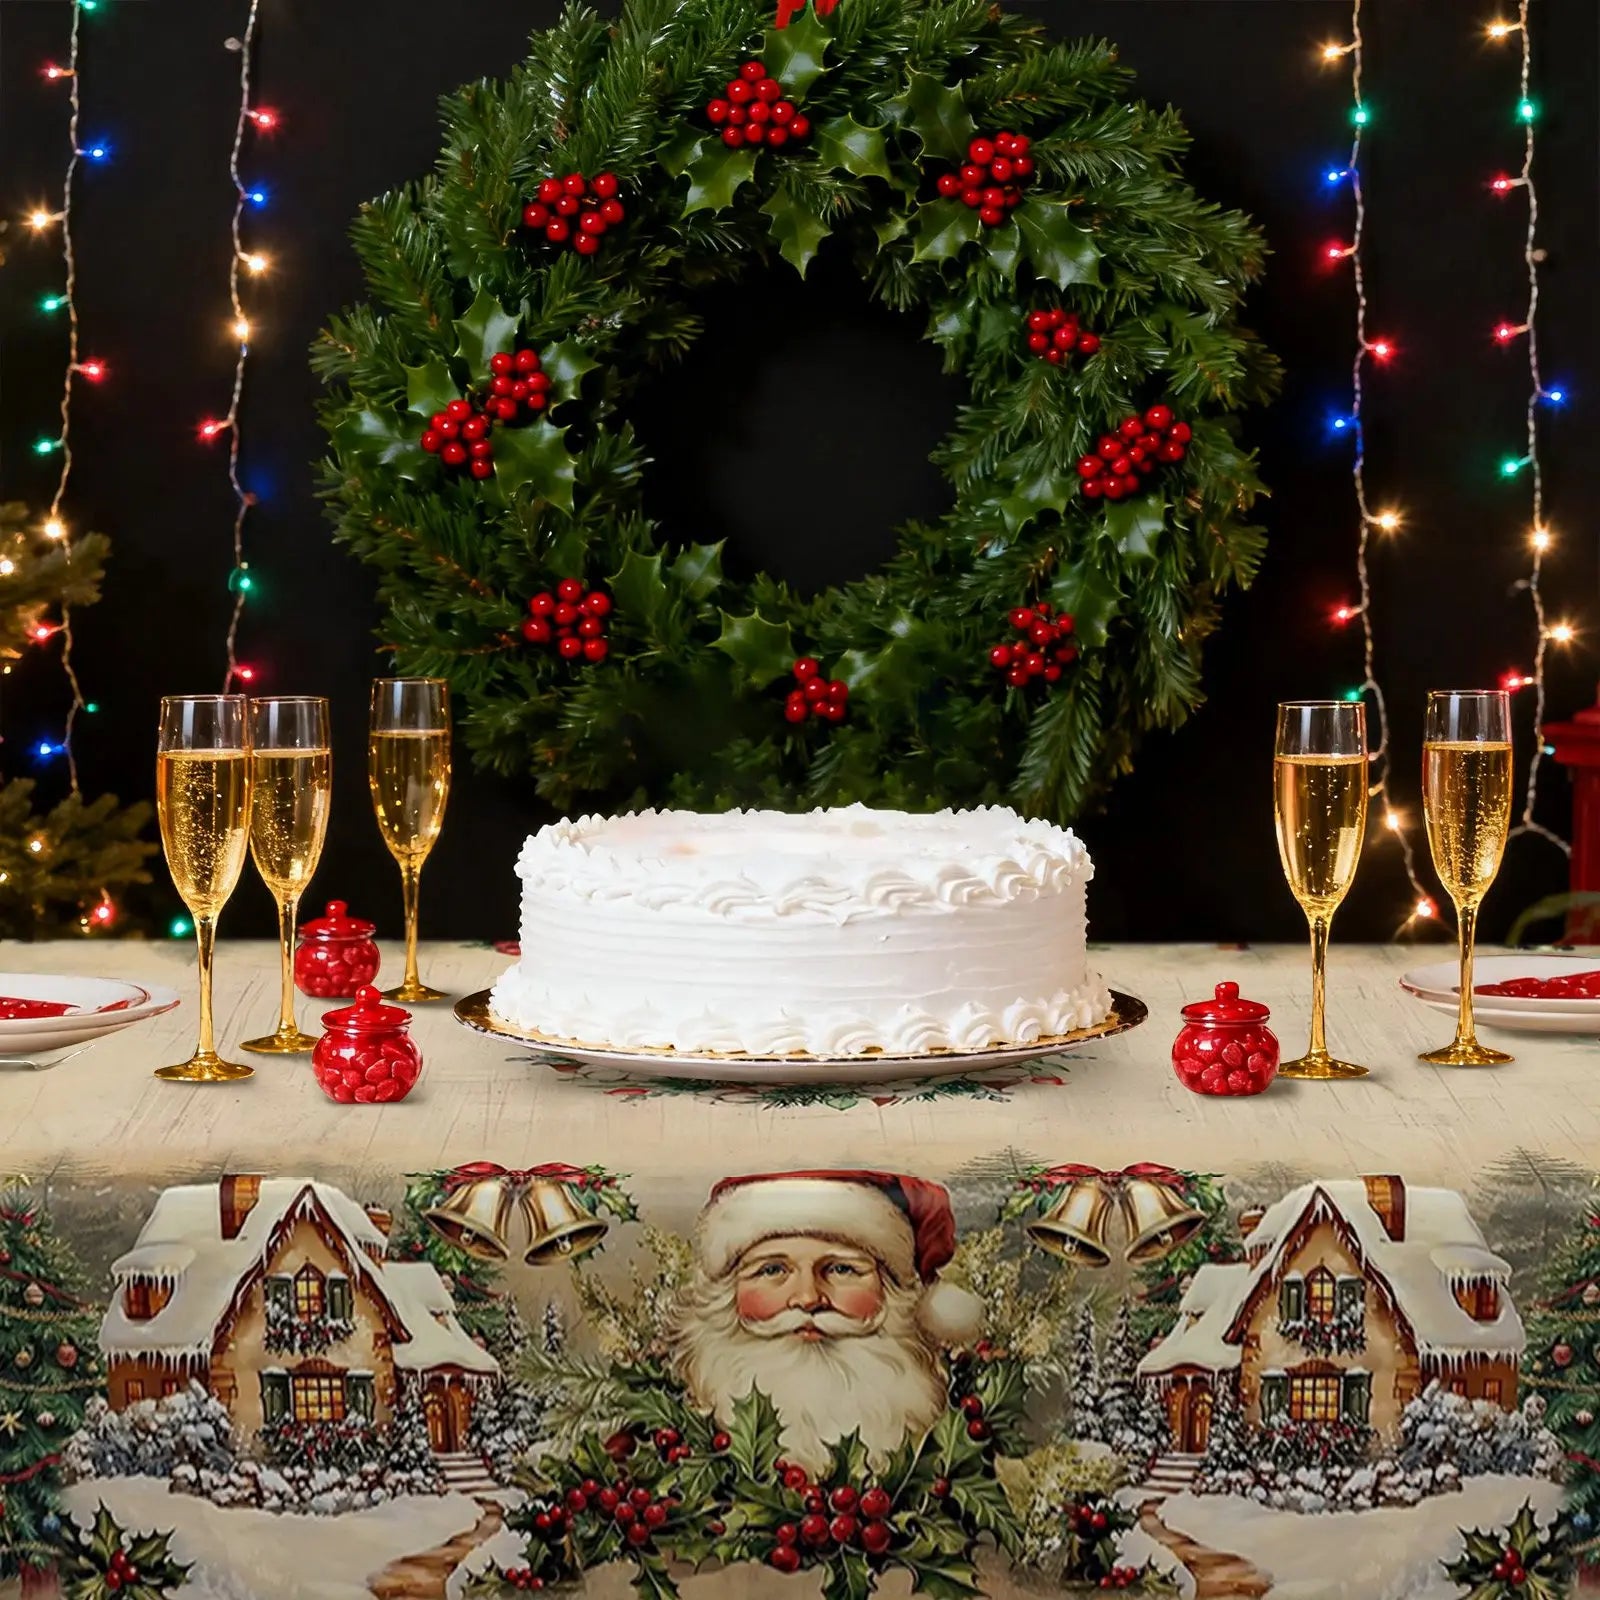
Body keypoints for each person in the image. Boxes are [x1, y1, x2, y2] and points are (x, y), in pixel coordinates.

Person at [667, 1170, 983, 1474]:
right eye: (772, 1270)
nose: (808, 1298)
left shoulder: (962, 1431)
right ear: (726, 1296)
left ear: (892, 1293)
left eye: (841, 1270)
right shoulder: (673, 1439)